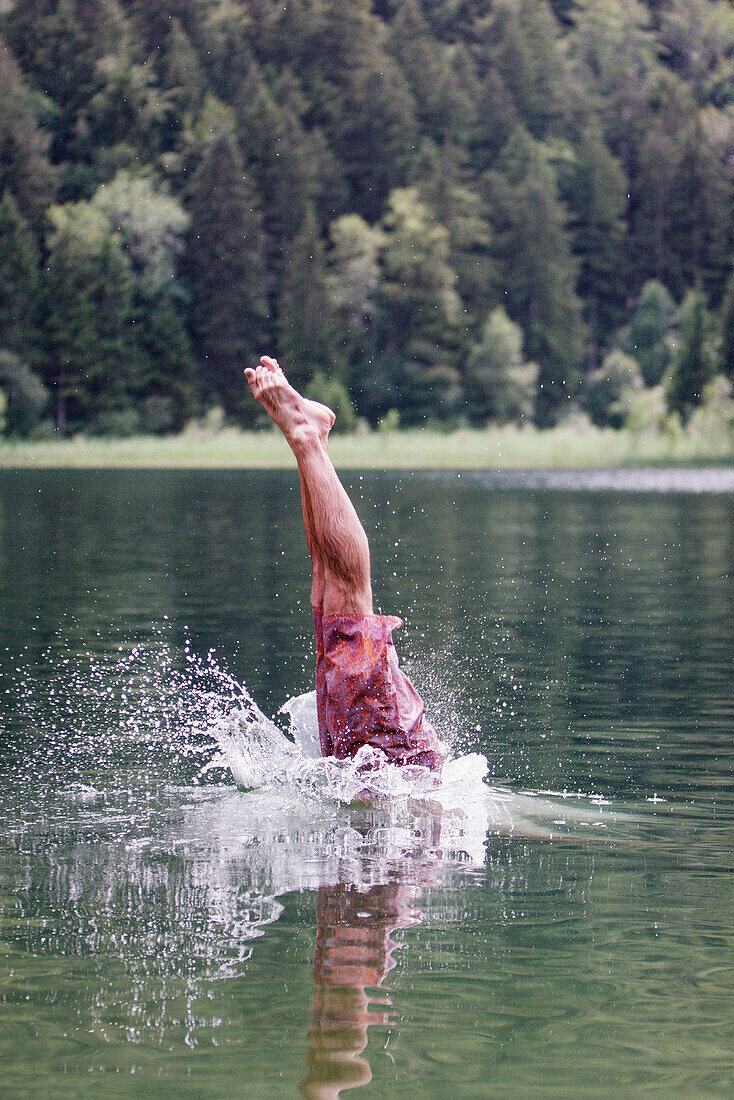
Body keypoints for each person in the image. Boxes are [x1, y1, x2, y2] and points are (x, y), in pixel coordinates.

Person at [244, 355, 444, 773]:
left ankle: (309, 440)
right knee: (346, 600)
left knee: (325, 587)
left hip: (377, 760)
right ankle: (306, 438)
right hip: (399, 758)